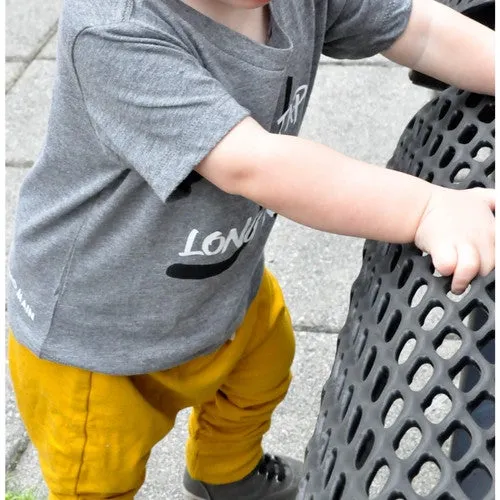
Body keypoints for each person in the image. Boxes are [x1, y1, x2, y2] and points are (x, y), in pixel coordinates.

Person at [7, 0, 494, 498]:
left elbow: (422, 30)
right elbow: (255, 165)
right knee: (99, 473)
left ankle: (226, 473)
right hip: (94, 336)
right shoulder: (114, 31)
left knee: (262, 369)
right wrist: (424, 209)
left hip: (217, 282)